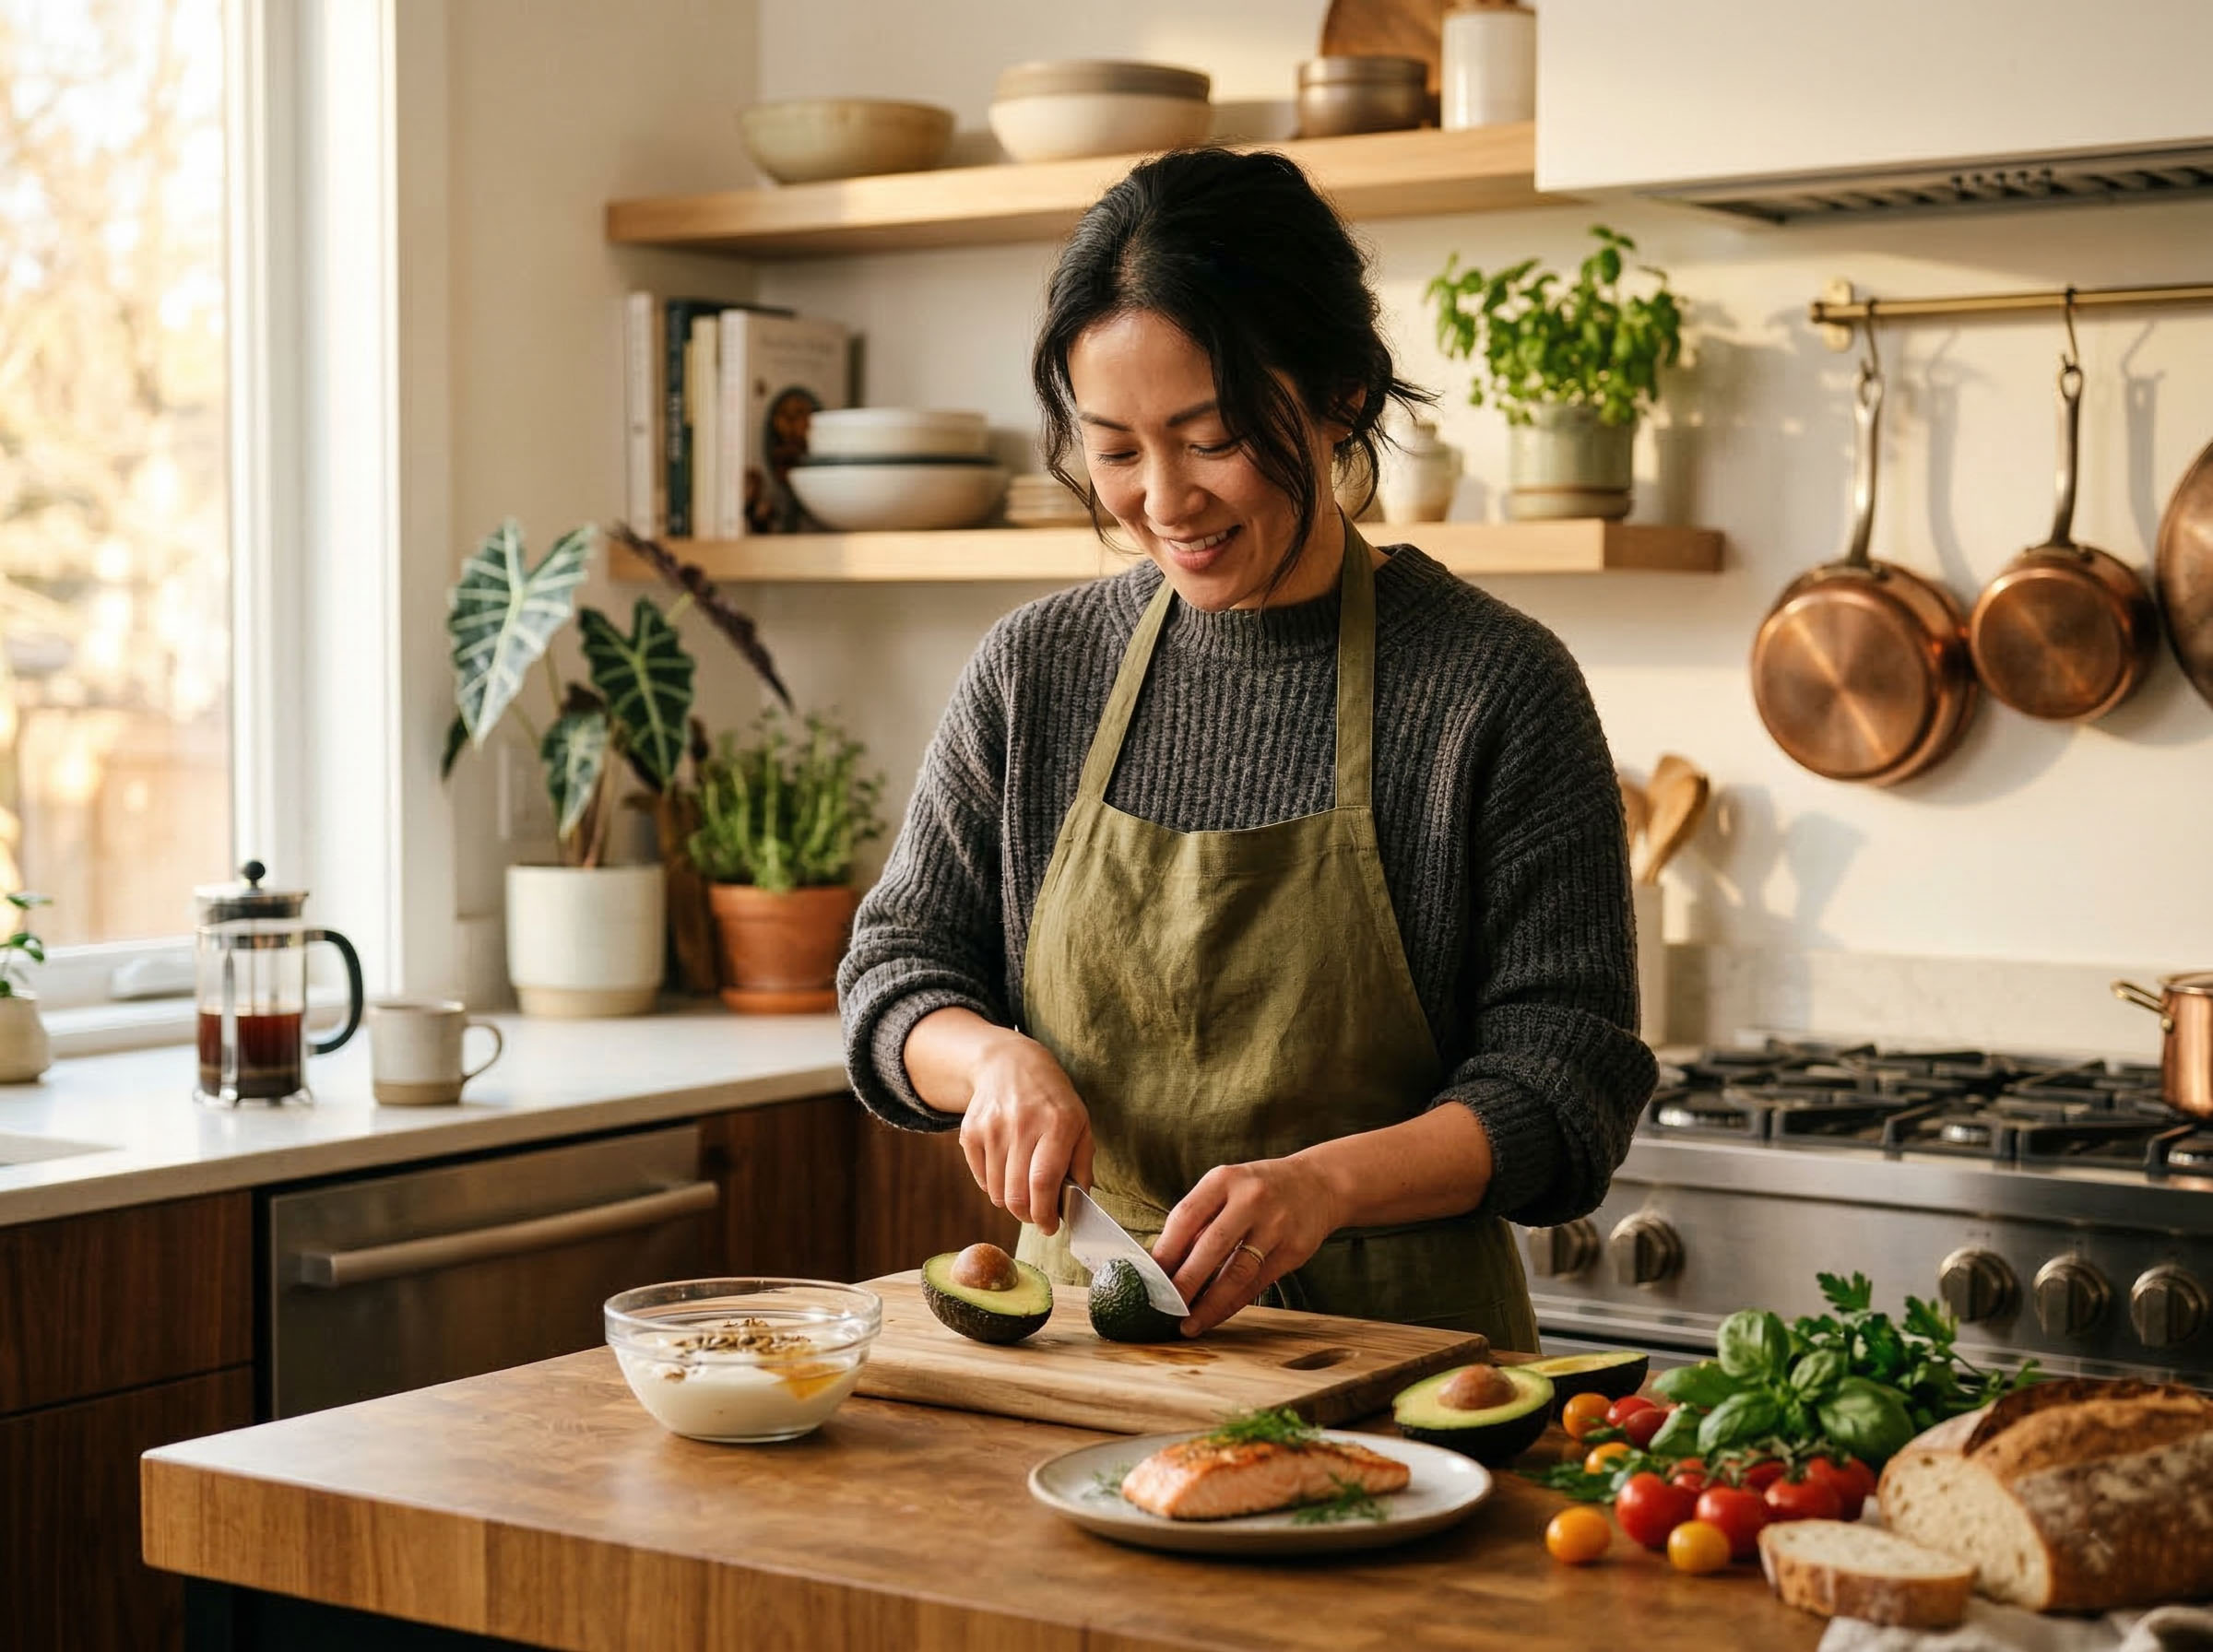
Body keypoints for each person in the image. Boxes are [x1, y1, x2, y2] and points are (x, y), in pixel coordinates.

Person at [836, 148, 1656, 1348]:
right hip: (1081, 1349)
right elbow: (894, 973)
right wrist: (989, 1061)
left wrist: (1327, 1187)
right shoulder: (1034, 671)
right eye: (1117, 450)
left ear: (1340, 396)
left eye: (1211, 439)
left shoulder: (1494, 687)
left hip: (1400, 1367)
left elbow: (1565, 1079)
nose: (1165, 502)